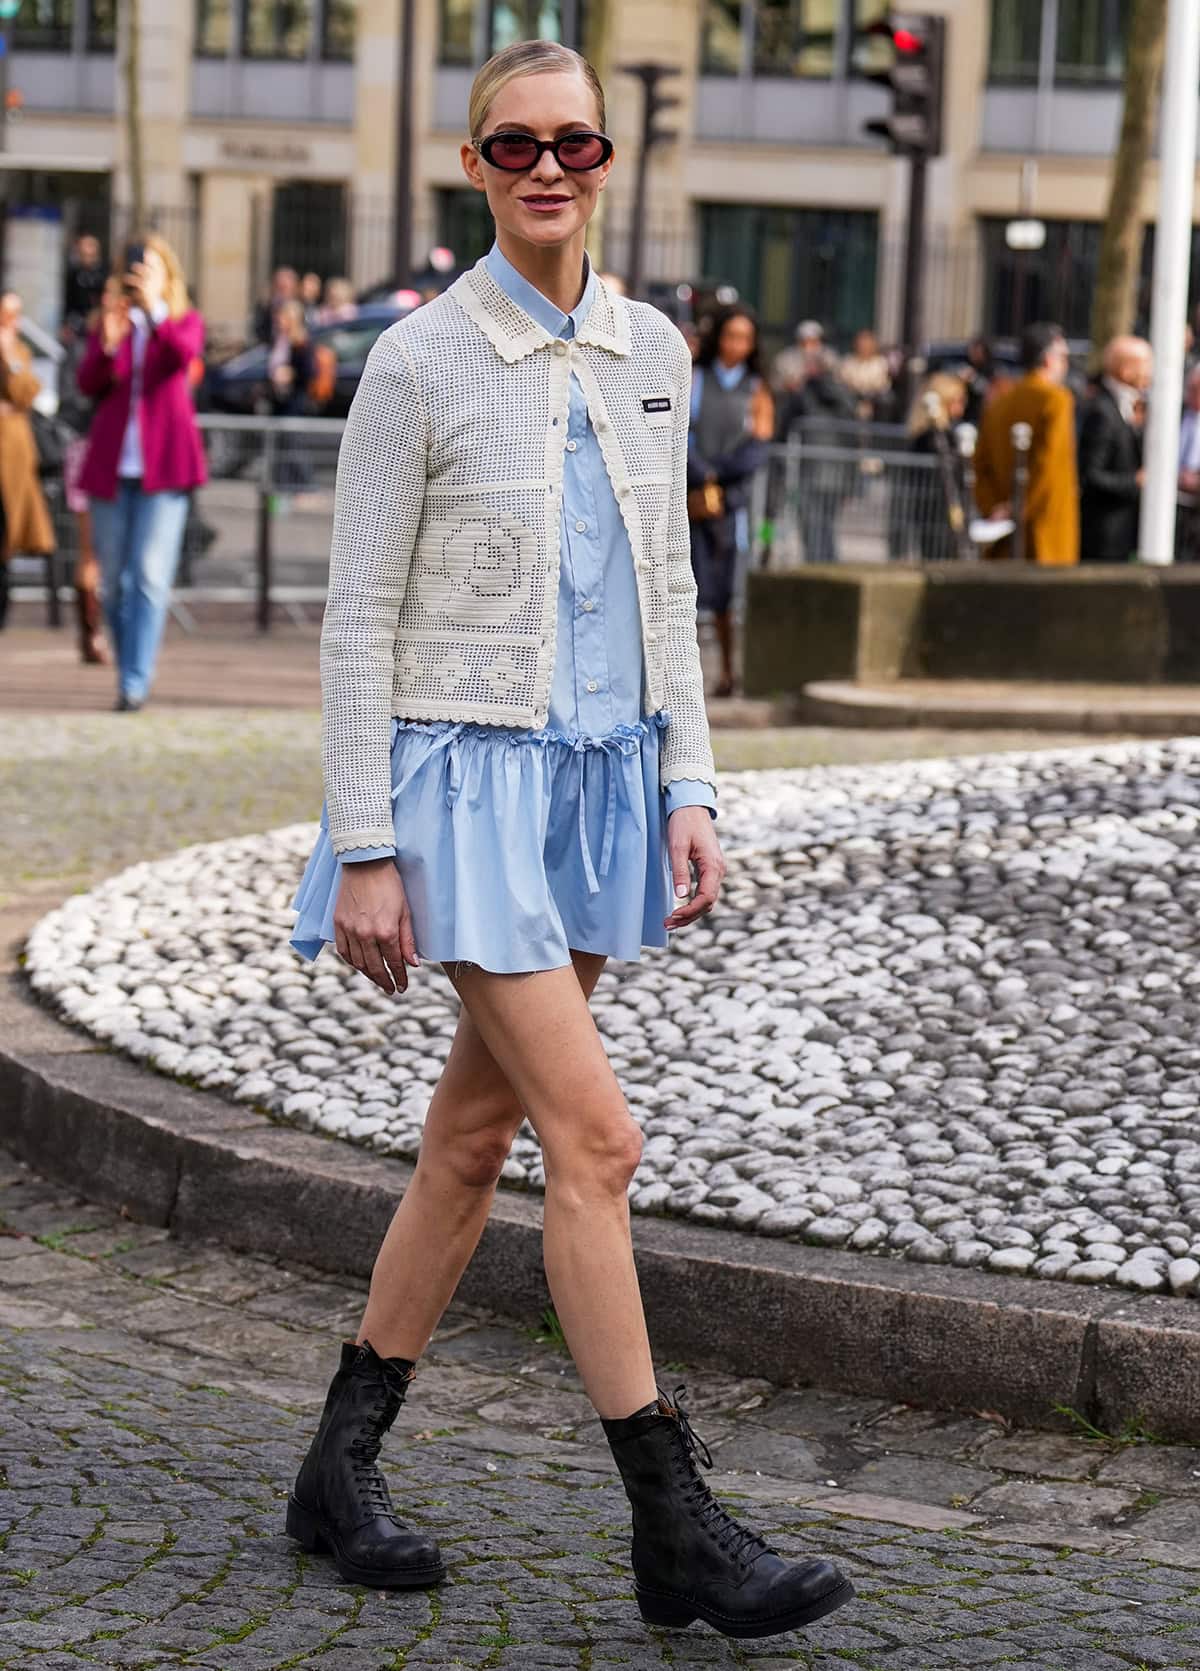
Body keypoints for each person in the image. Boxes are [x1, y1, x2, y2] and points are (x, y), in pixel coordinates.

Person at [285, 39, 852, 1641]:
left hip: (597, 790)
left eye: (577, 142)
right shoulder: (417, 361)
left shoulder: (655, 350)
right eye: (515, 143)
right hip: (462, 794)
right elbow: (353, 625)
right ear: (474, 165)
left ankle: (337, 1467)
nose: (549, 166)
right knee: (594, 1141)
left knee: (475, 1140)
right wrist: (369, 843)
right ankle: (673, 1524)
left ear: (609, 161)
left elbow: (668, 590)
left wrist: (694, 782)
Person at [76, 233, 207, 711]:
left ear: (166, 275)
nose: (137, 279)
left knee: (150, 577)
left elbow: (179, 360)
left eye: (147, 270)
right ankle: (127, 665)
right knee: (114, 582)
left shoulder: (181, 321)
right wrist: (109, 346)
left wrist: (154, 311)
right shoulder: (111, 320)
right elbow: (87, 382)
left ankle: (134, 680)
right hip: (112, 468)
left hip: (165, 469)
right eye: (133, 271)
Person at [687, 304, 774, 698]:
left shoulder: (756, 389)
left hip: (730, 500)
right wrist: (699, 471)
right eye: (730, 336)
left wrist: (718, 473)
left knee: (724, 595)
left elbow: (758, 445)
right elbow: (678, 428)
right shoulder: (697, 377)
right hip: (690, 494)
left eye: (745, 338)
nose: (736, 345)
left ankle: (726, 672)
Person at [973, 321, 1079, 566]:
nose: (1066, 364)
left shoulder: (1001, 402)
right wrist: (1018, 509)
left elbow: (980, 465)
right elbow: (1048, 465)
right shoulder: (1056, 400)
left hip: (1003, 535)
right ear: (1048, 359)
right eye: (1064, 356)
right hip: (1044, 534)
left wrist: (994, 509)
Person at [775, 334, 857, 564]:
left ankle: (817, 567)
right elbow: (854, 438)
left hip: (810, 470)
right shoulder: (845, 395)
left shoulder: (804, 393)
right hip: (837, 474)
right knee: (827, 526)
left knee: (813, 526)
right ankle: (828, 565)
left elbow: (783, 426)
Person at [0, 291, 56, 632]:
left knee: (7, 539)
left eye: (16, 314)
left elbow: (25, 392)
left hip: (12, 465)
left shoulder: (17, 351)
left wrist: (8, 354)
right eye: (7, 314)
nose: (13, 322)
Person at [1077, 335, 1151, 564]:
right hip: (1105, 538)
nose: (1149, 373)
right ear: (1126, 370)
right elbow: (1091, 475)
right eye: (1145, 366)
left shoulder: (1127, 407)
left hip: (1121, 534)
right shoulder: (1103, 411)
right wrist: (1134, 481)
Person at [902, 371, 968, 562]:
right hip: (938, 509)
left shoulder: (935, 435)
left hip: (935, 509)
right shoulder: (934, 438)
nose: (961, 407)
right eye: (958, 400)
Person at [838, 327, 893, 422]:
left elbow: (882, 384)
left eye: (867, 344)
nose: (864, 347)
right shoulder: (848, 361)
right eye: (861, 343)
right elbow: (843, 381)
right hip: (852, 398)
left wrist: (868, 395)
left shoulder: (881, 363)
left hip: (875, 399)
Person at [62, 233, 106, 339]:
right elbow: (69, 301)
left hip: (99, 324)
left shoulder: (104, 273)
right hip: (78, 325)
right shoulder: (75, 274)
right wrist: (67, 324)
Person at [253, 265, 298, 345]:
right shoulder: (265, 308)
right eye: (279, 287)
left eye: (284, 288)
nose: (281, 293)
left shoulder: (299, 309)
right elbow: (259, 332)